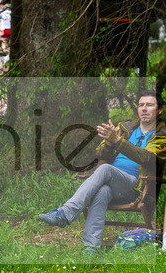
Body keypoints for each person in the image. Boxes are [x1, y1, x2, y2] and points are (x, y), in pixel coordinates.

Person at [38, 91, 165, 253]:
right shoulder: (126, 128)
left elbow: (149, 158)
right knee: (102, 191)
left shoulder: (161, 134)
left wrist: (118, 141)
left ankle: (65, 213)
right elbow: (100, 154)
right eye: (141, 105)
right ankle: (91, 249)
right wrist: (109, 142)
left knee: (105, 169)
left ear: (159, 110)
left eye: (150, 105)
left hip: (137, 187)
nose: (144, 109)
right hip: (113, 183)